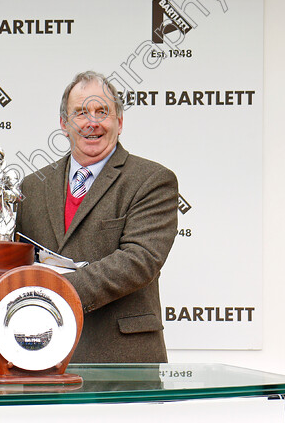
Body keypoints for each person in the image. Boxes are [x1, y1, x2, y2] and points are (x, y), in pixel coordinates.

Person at [15, 70, 178, 363]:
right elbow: (19, 258)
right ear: (64, 124)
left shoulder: (152, 180)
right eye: (80, 113)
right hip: (44, 355)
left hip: (122, 358)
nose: (92, 122)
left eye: (102, 111)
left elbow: (140, 261)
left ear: (120, 122)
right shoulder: (32, 186)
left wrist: (58, 289)